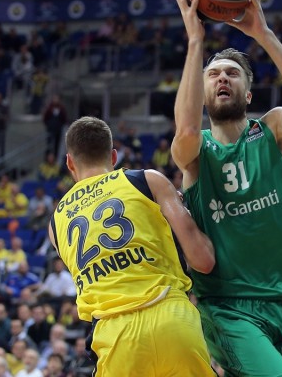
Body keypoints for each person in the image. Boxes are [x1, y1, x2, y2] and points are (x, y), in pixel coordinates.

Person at [173, 0, 282, 376]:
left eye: (233, 74)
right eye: (214, 74)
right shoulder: (194, 154)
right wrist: (194, 44)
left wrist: (264, 34)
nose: (222, 78)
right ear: (202, 95)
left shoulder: (272, 131)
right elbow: (185, 132)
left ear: (249, 95)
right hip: (229, 308)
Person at [48, 117, 216, 377]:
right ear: (113, 157)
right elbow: (202, 260)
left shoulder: (56, 222)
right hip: (171, 319)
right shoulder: (147, 181)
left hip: (114, 337)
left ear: (69, 162)